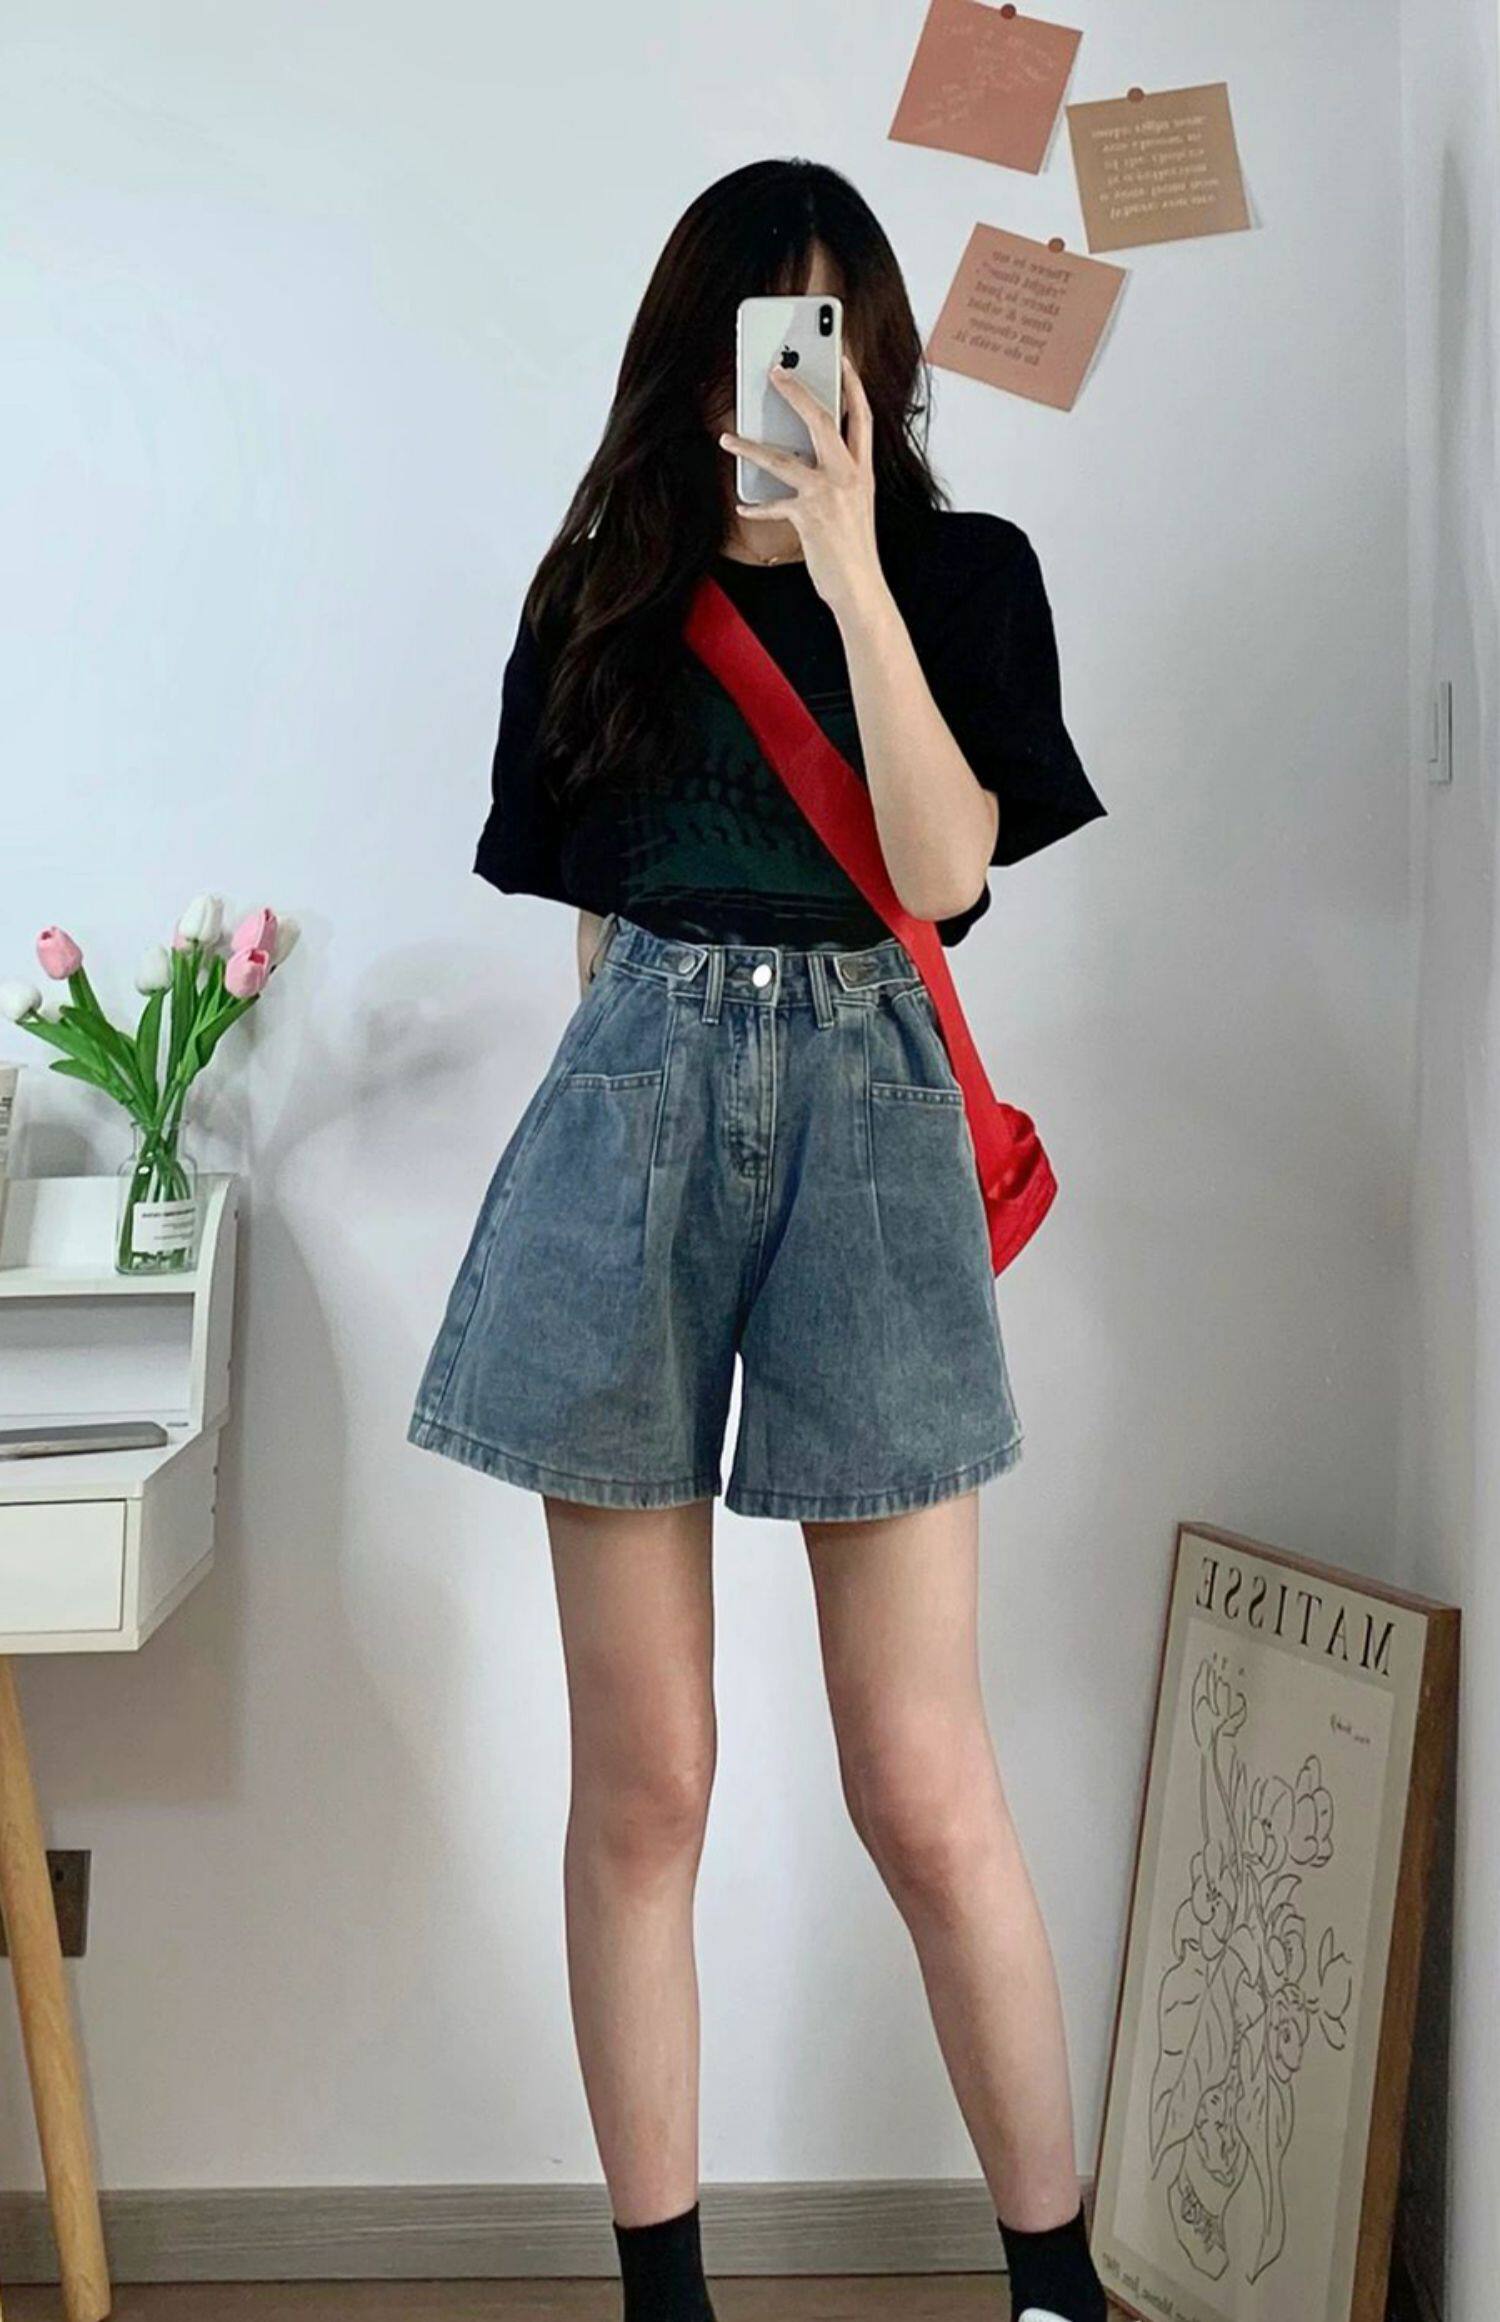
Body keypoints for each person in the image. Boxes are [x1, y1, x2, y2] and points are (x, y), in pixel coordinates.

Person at [408, 157, 1109, 2322]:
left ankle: (1055, 2289)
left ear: (874, 361)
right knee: (651, 1784)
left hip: (873, 1132)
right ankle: (668, 2303)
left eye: (830, 338)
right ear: (695, 361)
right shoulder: (599, 593)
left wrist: (856, 573)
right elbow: (592, 925)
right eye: (759, 337)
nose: (793, 381)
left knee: (922, 1775)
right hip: (632, 1119)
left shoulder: (966, 575)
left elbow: (947, 868)